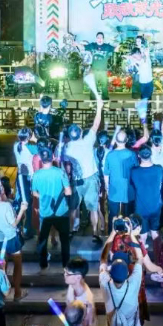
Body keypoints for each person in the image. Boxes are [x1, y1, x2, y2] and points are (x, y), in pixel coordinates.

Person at [63, 96, 104, 240]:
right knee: (93, 208)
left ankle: (70, 230)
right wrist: (99, 107)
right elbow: (96, 124)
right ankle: (95, 232)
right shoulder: (88, 141)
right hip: (91, 178)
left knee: (73, 208)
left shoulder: (67, 148)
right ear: (81, 133)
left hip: (77, 180)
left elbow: (66, 164)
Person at [0, 182, 28, 300]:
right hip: (11, 239)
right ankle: (17, 293)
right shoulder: (6, 206)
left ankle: (2, 293)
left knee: (2, 266)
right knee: (17, 264)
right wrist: (22, 210)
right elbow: (14, 224)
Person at [32, 147, 72, 272]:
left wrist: (43, 196)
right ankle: (66, 266)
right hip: (61, 211)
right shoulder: (60, 172)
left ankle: (43, 265)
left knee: (43, 240)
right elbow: (68, 192)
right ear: (53, 157)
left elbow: (34, 193)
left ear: (41, 159)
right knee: (64, 240)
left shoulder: (36, 175)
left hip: (45, 212)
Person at [129, 146, 163, 249]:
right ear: (151, 154)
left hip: (141, 208)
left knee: (142, 235)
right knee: (155, 234)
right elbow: (160, 185)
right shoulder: (159, 169)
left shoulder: (134, 171)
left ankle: (142, 257)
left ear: (139, 156)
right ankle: (159, 257)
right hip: (155, 206)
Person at [104, 129, 138, 226]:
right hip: (129, 189)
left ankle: (111, 233)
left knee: (113, 216)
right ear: (126, 140)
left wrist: (107, 188)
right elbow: (136, 171)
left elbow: (106, 174)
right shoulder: (132, 154)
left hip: (114, 189)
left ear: (115, 140)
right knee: (129, 217)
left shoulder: (110, 155)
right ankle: (128, 233)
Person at [65, 257, 96, 326]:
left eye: (68, 273)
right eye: (65, 271)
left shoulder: (87, 301)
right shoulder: (72, 285)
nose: (64, 275)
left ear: (78, 277)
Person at [82, 32, 115, 100]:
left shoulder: (107, 46)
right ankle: (93, 100)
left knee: (104, 86)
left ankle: (105, 100)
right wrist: (76, 44)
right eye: (98, 38)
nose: (100, 39)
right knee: (94, 85)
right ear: (96, 39)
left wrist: (118, 42)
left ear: (103, 39)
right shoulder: (92, 45)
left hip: (103, 70)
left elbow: (116, 49)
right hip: (94, 70)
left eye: (101, 38)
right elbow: (83, 47)